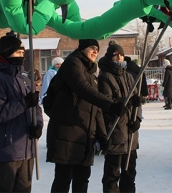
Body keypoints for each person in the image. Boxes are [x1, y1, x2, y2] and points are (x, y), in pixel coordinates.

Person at [46, 39, 129, 193]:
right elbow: (82, 88)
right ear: (82, 48)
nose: (95, 51)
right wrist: (111, 104)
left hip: (85, 134)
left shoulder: (90, 73)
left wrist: (102, 135)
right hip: (68, 132)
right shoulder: (72, 63)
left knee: (82, 180)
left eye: (97, 49)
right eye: (92, 48)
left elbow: (95, 107)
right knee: (63, 180)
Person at [0, 35, 43, 192]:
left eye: (22, 53)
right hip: (6, 151)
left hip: (27, 150)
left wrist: (38, 125)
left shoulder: (24, 80)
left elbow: (36, 107)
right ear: (6, 53)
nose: (21, 57)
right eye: (17, 53)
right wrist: (23, 103)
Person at [98, 43, 142, 193]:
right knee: (112, 176)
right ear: (110, 57)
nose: (119, 58)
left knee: (129, 175)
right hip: (115, 133)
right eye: (116, 55)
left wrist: (137, 119)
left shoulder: (129, 76)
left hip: (130, 136)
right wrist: (125, 102)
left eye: (121, 55)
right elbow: (106, 102)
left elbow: (137, 102)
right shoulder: (105, 77)